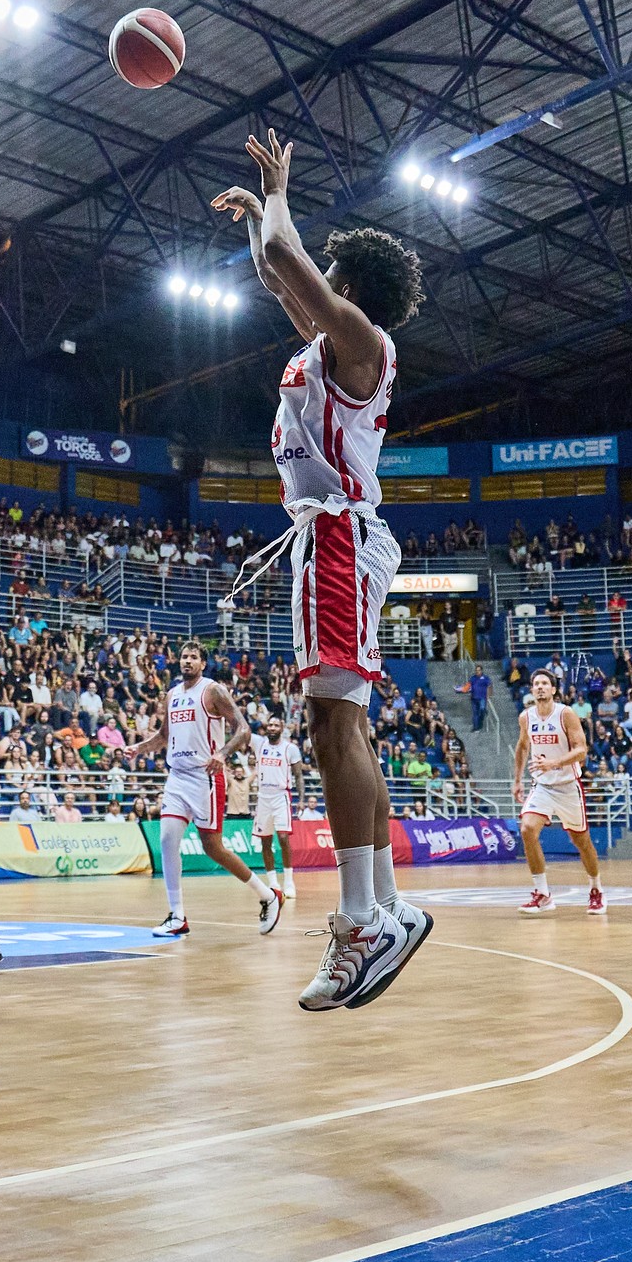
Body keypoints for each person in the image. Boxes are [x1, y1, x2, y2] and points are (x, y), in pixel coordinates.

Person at [215, 128, 429, 1011]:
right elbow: (275, 269)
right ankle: (382, 904)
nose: (318, 280)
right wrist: (265, 226)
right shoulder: (332, 342)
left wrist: (277, 193)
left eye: (330, 273)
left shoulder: (360, 339)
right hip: (341, 537)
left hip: (338, 537)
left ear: (350, 289)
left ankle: (360, 923)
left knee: (329, 729)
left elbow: (281, 253)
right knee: (350, 730)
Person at [127, 641, 282, 938]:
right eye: (184, 657)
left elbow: (243, 729)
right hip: (177, 778)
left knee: (213, 847)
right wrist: (138, 749)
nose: (187, 661)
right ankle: (177, 915)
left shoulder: (212, 691)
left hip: (205, 777)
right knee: (168, 839)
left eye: (193, 657)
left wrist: (222, 753)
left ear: (202, 663)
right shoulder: (171, 695)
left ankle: (267, 895)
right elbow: (163, 736)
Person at [513, 669, 605, 916]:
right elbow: (522, 748)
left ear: (553, 689)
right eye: (536, 683)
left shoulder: (566, 714)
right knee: (527, 828)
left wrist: (553, 763)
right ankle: (542, 894)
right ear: (532, 690)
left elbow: (582, 750)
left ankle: (596, 889)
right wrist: (517, 780)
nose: (540, 687)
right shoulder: (526, 717)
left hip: (567, 786)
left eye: (545, 683)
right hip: (542, 785)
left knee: (581, 841)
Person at [251, 716, 305, 903]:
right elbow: (240, 729)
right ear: (266, 727)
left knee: (283, 837)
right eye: (270, 724)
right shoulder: (259, 743)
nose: (272, 727)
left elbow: (298, 775)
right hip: (263, 796)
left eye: (276, 725)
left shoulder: (290, 748)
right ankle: (274, 884)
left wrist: (302, 798)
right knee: (265, 842)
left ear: (282, 728)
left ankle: (289, 882)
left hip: (281, 796)